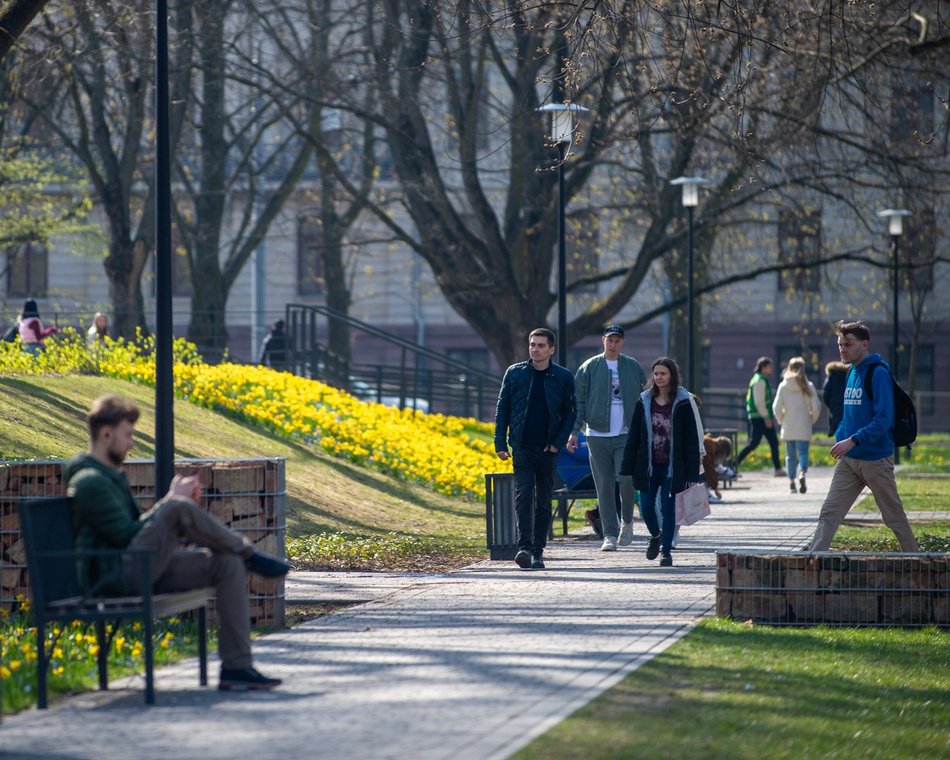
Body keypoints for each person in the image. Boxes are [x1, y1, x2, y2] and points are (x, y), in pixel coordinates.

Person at [65, 394, 293, 691]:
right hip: (113, 578)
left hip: (137, 567)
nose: (132, 443)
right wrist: (171, 502)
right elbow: (125, 535)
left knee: (227, 562)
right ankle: (249, 553)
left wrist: (172, 505)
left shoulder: (106, 477)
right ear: (107, 434)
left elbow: (133, 532)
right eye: (128, 434)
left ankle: (237, 667)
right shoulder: (89, 482)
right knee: (176, 508)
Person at [808, 321, 918, 552]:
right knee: (829, 512)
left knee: (894, 517)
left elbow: (883, 420)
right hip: (849, 460)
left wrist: (853, 440)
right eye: (840, 344)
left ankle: (917, 562)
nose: (842, 349)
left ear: (864, 344)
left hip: (876, 460)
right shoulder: (851, 371)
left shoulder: (878, 373)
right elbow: (849, 415)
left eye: (848, 344)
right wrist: (842, 436)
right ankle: (813, 560)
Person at [494, 328, 576, 570]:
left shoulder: (563, 377)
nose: (535, 349)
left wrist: (557, 442)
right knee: (523, 494)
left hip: (548, 449)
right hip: (522, 445)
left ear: (551, 349)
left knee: (543, 500)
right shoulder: (515, 373)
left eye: (541, 345)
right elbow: (503, 409)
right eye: (532, 344)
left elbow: (570, 414)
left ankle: (538, 551)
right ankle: (524, 548)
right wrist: (500, 442)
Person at [566, 324, 645, 551]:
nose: (613, 344)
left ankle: (627, 522)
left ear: (622, 342)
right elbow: (579, 401)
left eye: (617, 340)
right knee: (604, 486)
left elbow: (643, 399)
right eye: (610, 340)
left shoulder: (632, 366)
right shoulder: (589, 367)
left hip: (625, 433)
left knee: (626, 479)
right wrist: (574, 431)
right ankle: (609, 534)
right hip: (597, 434)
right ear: (603, 340)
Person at [620, 357, 700, 567]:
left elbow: (691, 439)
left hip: (673, 468)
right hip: (648, 466)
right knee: (646, 507)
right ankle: (656, 535)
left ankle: (666, 551)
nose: (658, 377)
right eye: (656, 373)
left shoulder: (683, 402)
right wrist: (627, 466)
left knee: (668, 509)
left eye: (663, 373)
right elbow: (634, 435)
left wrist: (693, 474)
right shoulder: (644, 400)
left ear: (671, 376)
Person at [772, 356, 822, 494]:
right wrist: (811, 419)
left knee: (790, 455)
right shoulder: (808, 386)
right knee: (803, 452)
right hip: (804, 425)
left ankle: (792, 482)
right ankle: (802, 473)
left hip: (788, 425)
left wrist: (781, 420)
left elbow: (776, 407)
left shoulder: (783, 386)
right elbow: (817, 407)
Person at [735, 356, 785, 476]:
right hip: (760, 417)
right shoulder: (760, 381)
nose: (772, 369)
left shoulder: (759, 379)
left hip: (759, 416)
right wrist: (766, 417)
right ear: (763, 367)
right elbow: (759, 402)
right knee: (755, 443)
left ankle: (778, 468)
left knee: (773, 442)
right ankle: (733, 464)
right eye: (770, 367)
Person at [822, 360, 850, 437]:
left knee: (837, 431)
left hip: (836, 407)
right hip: (849, 406)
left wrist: (831, 404)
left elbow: (826, 393)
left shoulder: (831, 375)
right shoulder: (850, 375)